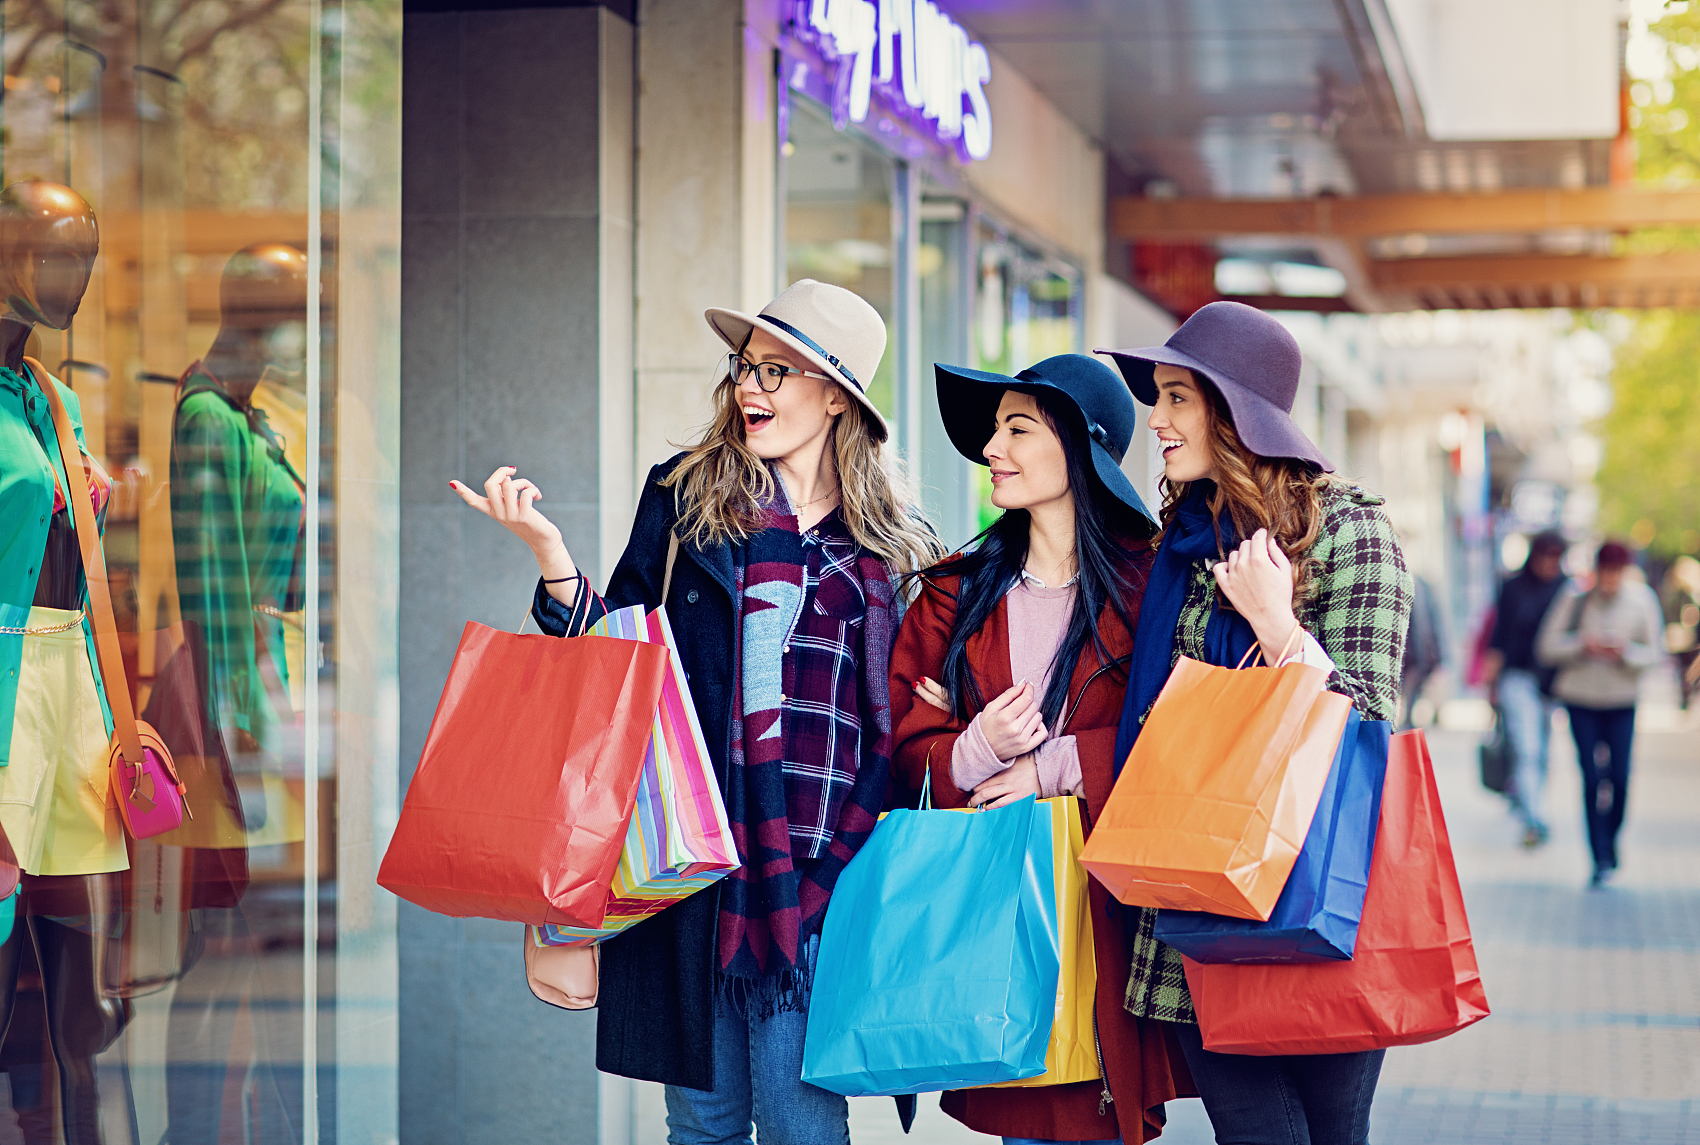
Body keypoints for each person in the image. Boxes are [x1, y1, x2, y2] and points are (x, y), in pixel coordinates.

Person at [451, 279, 941, 1145]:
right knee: (704, 1127)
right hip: (694, 870)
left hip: (829, 881)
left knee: (804, 1127)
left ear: (836, 396)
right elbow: (615, 663)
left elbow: (900, 729)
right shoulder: (686, 500)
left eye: (778, 372)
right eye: (746, 367)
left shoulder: (894, 549)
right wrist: (551, 556)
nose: (751, 388)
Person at [1101, 301, 1413, 1145]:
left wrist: (1278, 626)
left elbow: (1370, 727)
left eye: (1176, 397)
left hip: (1318, 895)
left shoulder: (1352, 528)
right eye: (1157, 397)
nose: (1155, 420)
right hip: (1200, 891)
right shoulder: (1184, 536)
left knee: (1331, 1132)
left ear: (1232, 411)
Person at [891, 353, 1194, 1145]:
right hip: (994, 906)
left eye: (1017, 428)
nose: (993, 447)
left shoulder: (1154, 583)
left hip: (1113, 914)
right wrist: (973, 745)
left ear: (1080, 447)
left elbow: (1178, 734)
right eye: (995, 430)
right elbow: (904, 744)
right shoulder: (954, 591)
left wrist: (1047, 764)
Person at [1537, 540, 1666, 888]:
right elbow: (1546, 646)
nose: (1610, 580)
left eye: (1616, 572)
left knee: (1620, 777)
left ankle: (1611, 839)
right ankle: (1599, 856)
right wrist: (1582, 645)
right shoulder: (1575, 598)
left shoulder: (1642, 600)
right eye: (1605, 572)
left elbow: (1655, 653)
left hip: (1622, 700)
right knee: (1592, 778)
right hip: (1580, 699)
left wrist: (1625, 653)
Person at [1482, 530, 1569, 848]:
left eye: (1555, 556)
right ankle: (1535, 818)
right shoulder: (1513, 587)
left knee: (1543, 750)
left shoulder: (1567, 589)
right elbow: (1499, 635)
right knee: (1527, 748)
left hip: (1552, 683)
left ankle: (1530, 802)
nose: (1549, 562)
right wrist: (1491, 682)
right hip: (1516, 677)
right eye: (1545, 555)